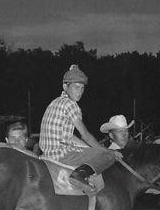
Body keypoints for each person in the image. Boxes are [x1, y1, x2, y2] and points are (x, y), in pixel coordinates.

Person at [39, 64, 118, 192]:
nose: (80, 91)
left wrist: (88, 148)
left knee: (92, 150)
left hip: (49, 152)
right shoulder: (71, 105)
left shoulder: (55, 102)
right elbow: (85, 134)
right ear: (65, 86)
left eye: (82, 88)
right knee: (108, 156)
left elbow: (69, 136)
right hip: (62, 154)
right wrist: (106, 151)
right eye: (76, 87)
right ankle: (79, 175)